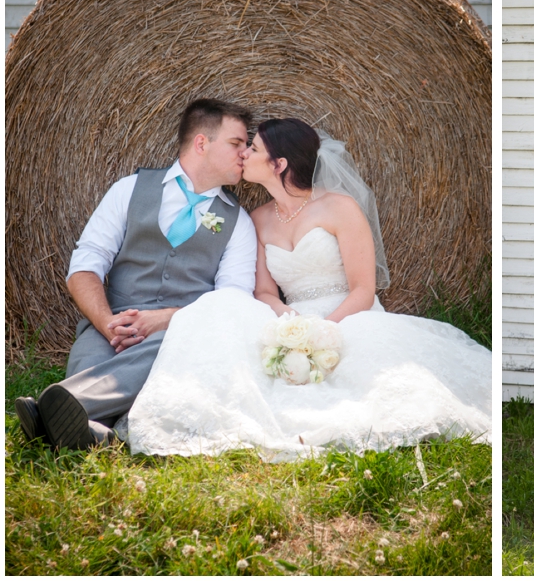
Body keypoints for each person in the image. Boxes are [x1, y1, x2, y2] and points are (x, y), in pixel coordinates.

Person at [125, 118, 491, 460]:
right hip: (291, 321)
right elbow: (264, 292)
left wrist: (324, 330)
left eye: (253, 149)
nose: (244, 154)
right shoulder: (258, 220)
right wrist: (291, 325)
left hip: (350, 315)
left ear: (278, 164)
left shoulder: (340, 208)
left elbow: (363, 288)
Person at [14, 99, 257, 449]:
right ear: (202, 143)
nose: (245, 153)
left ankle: (54, 409)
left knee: (157, 354)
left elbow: (233, 303)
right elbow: (86, 264)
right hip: (109, 327)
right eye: (237, 143)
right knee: (95, 373)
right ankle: (96, 431)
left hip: (177, 334)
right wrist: (106, 322)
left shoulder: (239, 224)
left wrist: (165, 320)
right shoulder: (128, 190)